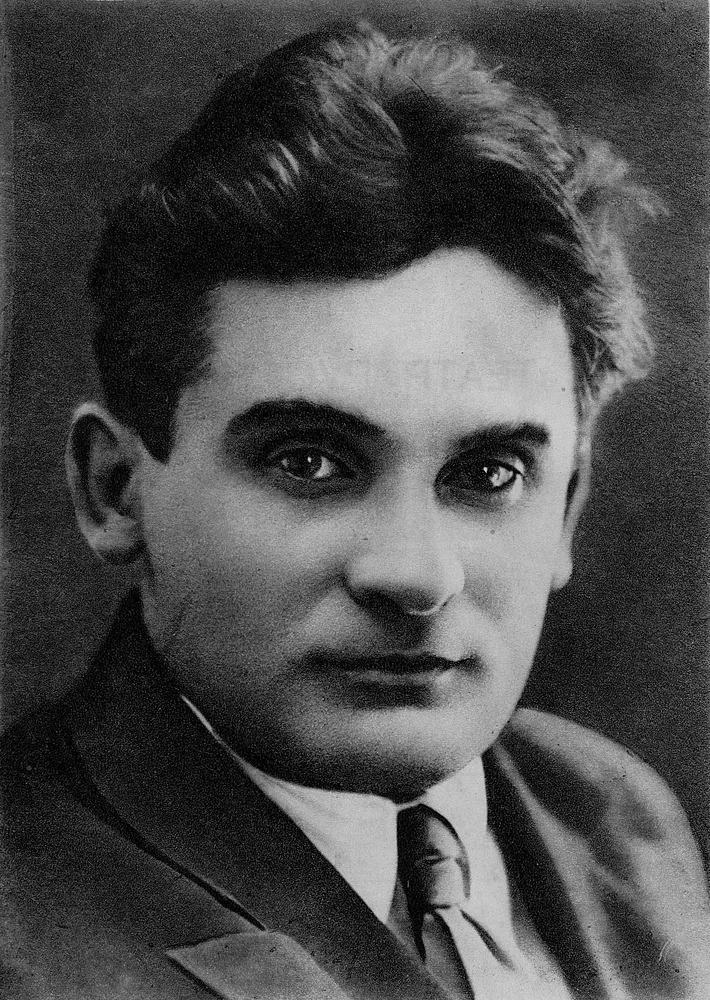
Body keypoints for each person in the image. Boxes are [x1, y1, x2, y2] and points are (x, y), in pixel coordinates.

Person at [1, 21, 708, 1000]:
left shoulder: (612, 815)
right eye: (309, 461)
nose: (414, 574)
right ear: (115, 489)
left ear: (567, 510)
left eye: (489, 473)